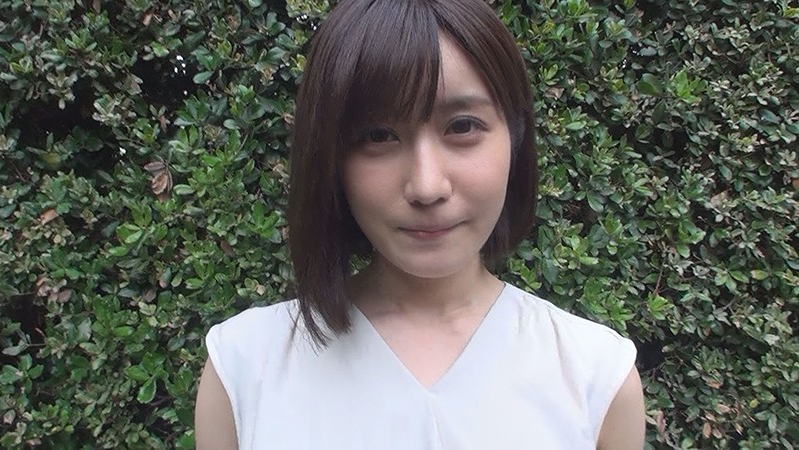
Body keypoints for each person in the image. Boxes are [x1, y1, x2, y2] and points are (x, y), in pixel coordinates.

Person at [195, 0, 646, 448]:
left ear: (516, 136)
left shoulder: (596, 378)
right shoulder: (243, 369)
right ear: (330, 158)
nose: (427, 186)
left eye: (462, 126)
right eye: (378, 136)